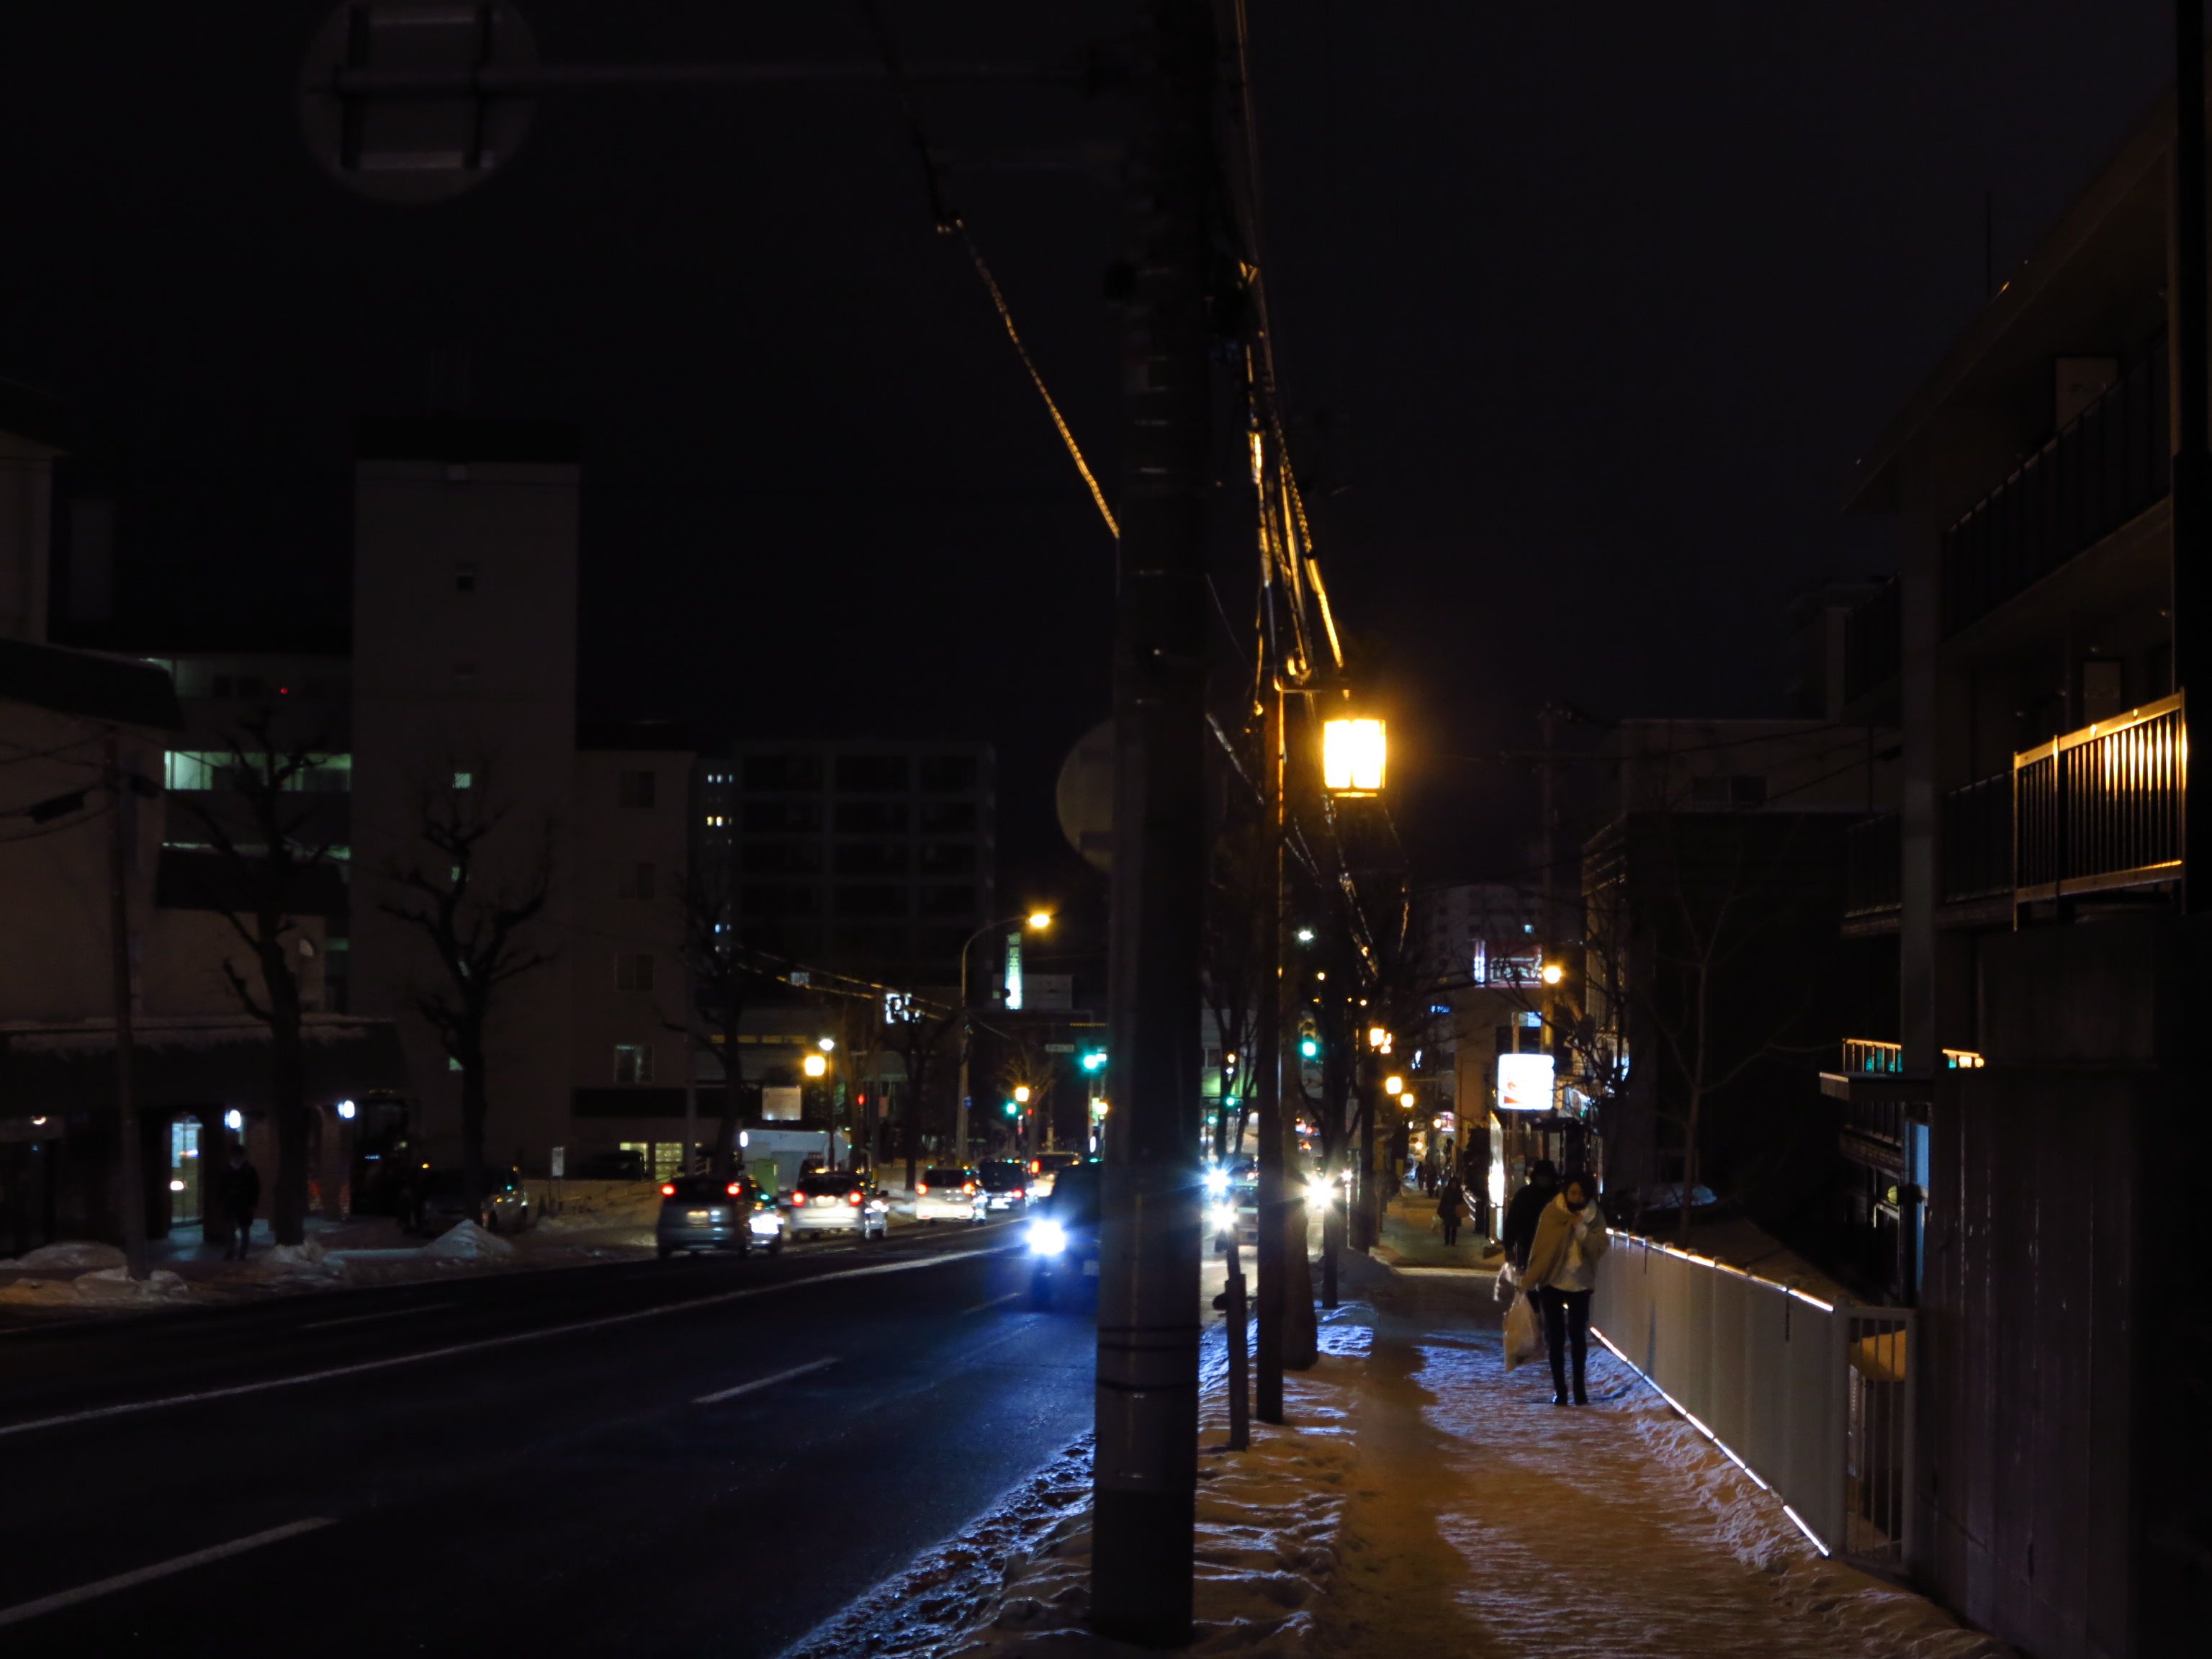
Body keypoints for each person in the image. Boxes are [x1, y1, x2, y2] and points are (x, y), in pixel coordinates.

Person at [1524, 1172, 1610, 1405]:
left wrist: (1581, 1229)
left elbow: (1600, 1246)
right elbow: (1541, 1248)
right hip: (1552, 1282)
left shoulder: (1594, 1217)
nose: (1576, 1197)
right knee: (1556, 1338)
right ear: (1565, 1192)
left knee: (1578, 1337)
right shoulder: (1552, 1213)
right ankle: (1561, 1391)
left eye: (1581, 1193)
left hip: (1580, 1283)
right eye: (1573, 1192)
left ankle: (1580, 1391)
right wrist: (1530, 1278)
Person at [1500, 1158, 1559, 1272]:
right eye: (1541, 1176)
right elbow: (1513, 1221)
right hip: (1530, 1242)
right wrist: (1509, 1246)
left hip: (1554, 1245)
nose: (1543, 1180)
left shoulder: (1558, 1196)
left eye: (1546, 1177)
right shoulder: (1525, 1195)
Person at [220, 1143, 261, 1261]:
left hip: (244, 1204)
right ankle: (231, 1251)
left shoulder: (249, 1170)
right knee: (231, 1230)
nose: (236, 1157)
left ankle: (241, 1253)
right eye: (234, 1155)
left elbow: (255, 1188)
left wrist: (253, 1204)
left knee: (244, 1230)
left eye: (238, 1155)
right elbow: (221, 1187)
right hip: (231, 1204)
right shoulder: (227, 1170)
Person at [1436, 1172, 1467, 1246]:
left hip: (1456, 1211)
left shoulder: (1458, 1191)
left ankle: (1453, 1242)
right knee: (1447, 1226)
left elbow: (1461, 1200)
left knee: (1454, 1227)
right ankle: (1447, 1241)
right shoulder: (1447, 1190)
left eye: (1455, 1183)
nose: (1454, 1185)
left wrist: (1462, 1205)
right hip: (1448, 1211)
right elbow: (1443, 1200)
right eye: (1453, 1183)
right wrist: (1441, 1209)